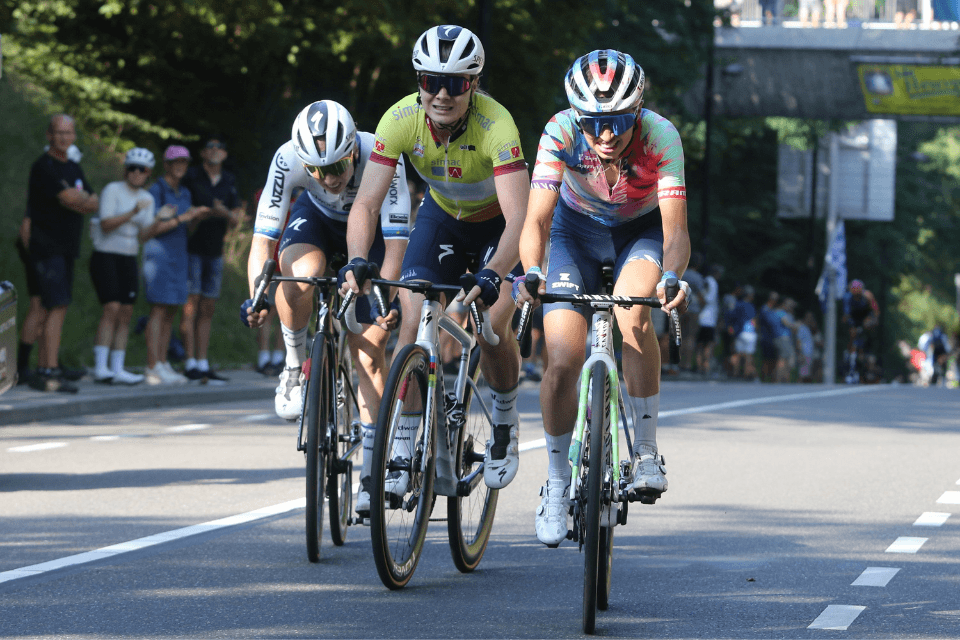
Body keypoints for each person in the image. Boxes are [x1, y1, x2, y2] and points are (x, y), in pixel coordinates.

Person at [341, 25, 530, 494]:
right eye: (430, 81)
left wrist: (492, 274)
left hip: (498, 228)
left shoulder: (497, 125)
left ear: (474, 85)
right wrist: (357, 260)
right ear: (418, 81)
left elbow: (520, 219)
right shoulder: (399, 119)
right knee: (410, 320)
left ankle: (504, 420)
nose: (442, 94)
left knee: (492, 326)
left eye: (456, 83)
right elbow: (365, 204)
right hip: (442, 219)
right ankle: (404, 443)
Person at [514, 49, 691, 546]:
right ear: (577, 117)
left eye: (617, 122)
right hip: (574, 234)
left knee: (633, 312)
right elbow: (537, 220)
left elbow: (676, 230)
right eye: (594, 124)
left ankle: (649, 451)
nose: (606, 135)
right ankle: (554, 481)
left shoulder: (661, 136)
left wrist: (672, 274)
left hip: (641, 232)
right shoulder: (560, 131)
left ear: (637, 112)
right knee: (563, 359)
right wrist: (531, 270)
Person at [243, 100, 410, 515]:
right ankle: (293, 365)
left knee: (369, 352)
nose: (329, 178)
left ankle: (373, 470)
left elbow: (395, 243)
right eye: (316, 171)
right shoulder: (287, 159)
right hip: (315, 221)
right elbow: (262, 241)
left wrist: (384, 299)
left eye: (337, 167)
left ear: (354, 148)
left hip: (369, 228)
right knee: (300, 273)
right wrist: (256, 296)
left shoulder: (381, 152)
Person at [24, 114, 100, 393]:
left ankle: (47, 366)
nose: (63, 138)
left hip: (67, 247)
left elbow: (93, 202)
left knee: (56, 306)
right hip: (46, 247)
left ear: (74, 137)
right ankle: (48, 369)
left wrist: (76, 199)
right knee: (54, 306)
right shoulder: (44, 167)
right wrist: (76, 199)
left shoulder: (74, 168)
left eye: (68, 133)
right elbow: (69, 198)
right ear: (49, 135)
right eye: (58, 133)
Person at [88, 147, 159, 385]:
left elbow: (144, 236)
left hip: (129, 257)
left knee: (126, 311)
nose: (137, 173)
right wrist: (132, 212)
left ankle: (118, 367)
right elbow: (106, 224)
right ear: (126, 170)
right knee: (111, 307)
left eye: (143, 170)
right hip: (106, 254)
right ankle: (100, 366)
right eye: (133, 168)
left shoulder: (148, 198)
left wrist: (159, 219)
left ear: (148, 173)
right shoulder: (113, 190)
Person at [144, 145, 210, 385]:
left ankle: (162, 363)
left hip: (179, 255)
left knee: (171, 310)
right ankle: (152, 366)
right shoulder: (156, 190)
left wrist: (195, 219)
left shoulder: (185, 192)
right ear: (167, 164)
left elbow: (187, 228)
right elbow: (150, 229)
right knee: (158, 310)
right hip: (158, 255)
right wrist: (183, 218)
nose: (181, 165)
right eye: (176, 161)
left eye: (184, 161)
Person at [180, 136, 244, 383]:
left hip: (215, 250)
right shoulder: (192, 176)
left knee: (208, 306)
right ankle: (189, 361)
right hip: (192, 247)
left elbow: (236, 218)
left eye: (220, 147)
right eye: (211, 147)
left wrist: (222, 212)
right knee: (190, 304)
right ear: (203, 153)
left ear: (225, 155)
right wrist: (201, 215)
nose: (215, 151)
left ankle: (203, 361)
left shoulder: (228, 180)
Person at [840, 278, 879, 383]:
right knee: (851, 335)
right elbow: (846, 314)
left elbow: (875, 311)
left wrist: (872, 322)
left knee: (867, 334)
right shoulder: (848, 298)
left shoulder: (868, 296)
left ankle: (867, 361)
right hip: (853, 319)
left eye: (858, 294)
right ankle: (849, 356)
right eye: (854, 294)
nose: (856, 296)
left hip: (865, 319)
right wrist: (850, 326)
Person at [696, 263, 722, 376]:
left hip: (706, 318)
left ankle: (701, 366)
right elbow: (705, 298)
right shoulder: (710, 281)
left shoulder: (710, 281)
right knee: (706, 344)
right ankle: (704, 367)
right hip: (706, 318)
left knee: (701, 344)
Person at [730, 285, 757, 380]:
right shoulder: (751, 306)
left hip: (740, 333)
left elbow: (732, 317)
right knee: (748, 355)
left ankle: (735, 374)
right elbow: (753, 321)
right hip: (750, 333)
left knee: (738, 353)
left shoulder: (738, 304)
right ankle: (746, 375)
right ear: (750, 295)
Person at [772, 297, 798, 383]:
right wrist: (795, 325)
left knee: (784, 358)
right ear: (785, 305)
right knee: (785, 358)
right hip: (782, 338)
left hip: (784, 338)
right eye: (790, 306)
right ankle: (779, 379)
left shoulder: (784, 313)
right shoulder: (780, 312)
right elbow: (786, 323)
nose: (791, 308)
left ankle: (783, 379)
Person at [758, 290, 780, 382]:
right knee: (766, 360)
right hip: (766, 338)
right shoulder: (765, 309)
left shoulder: (771, 310)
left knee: (772, 360)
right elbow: (770, 323)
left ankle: (770, 379)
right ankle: (763, 379)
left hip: (772, 338)